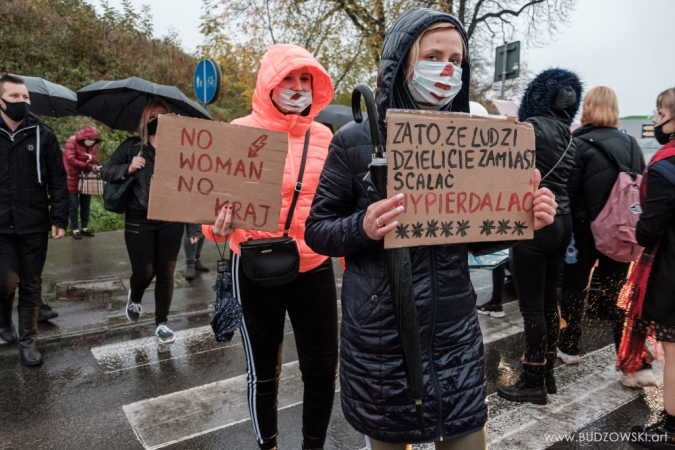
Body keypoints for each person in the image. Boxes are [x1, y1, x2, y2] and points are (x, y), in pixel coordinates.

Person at [304, 9, 557, 449]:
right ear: (402, 62)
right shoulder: (353, 140)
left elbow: (474, 236)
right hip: (383, 334)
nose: (446, 69)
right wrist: (363, 226)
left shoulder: (474, 139)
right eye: (433, 55)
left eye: (456, 60)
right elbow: (318, 230)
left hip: (454, 329)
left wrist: (520, 220)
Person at [203, 44, 337, 450]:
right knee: (264, 371)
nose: (297, 88)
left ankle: (313, 445)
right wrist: (217, 226)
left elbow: (336, 205)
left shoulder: (326, 136)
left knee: (323, 369)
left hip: (314, 264)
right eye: (288, 79)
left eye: (305, 79)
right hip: (256, 267)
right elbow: (212, 214)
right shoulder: (239, 132)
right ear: (269, 83)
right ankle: (269, 446)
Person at [497, 69, 581, 405]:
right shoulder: (569, 133)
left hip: (533, 221)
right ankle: (547, 374)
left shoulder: (527, 128)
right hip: (563, 220)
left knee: (531, 308)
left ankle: (533, 379)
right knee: (548, 302)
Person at [558, 87, 652, 386]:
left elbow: (568, 192)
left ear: (587, 108)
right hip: (621, 231)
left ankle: (570, 346)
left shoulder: (578, 143)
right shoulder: (632, 144)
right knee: (618, 296)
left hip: (583, 231)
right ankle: (635, 365)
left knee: (573, 290)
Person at [100, 99, 183, 344]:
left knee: (166, 271)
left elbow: (192, 187)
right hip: (139, 217)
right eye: (153, 115)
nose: (157, 119)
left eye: (163, 115)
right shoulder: (131, 146)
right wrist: (128, 168)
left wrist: (194, 225)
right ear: (145, 120)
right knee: (145, 271)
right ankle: (135, 295)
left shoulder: (180, 148)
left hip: (171, 217)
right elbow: (106, 169)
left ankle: (162, 323)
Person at [0, 74, 68, 366]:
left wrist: (60, 217)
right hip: (1, 225)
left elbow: (58, 179)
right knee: (5, 283)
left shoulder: (44, 135)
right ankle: (4, 322)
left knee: (31, 284)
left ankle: (28, 341)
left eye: (25, 97)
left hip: (34, 223)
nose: (22, 102)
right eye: (15, 97)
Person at [621, 87, 675, 448]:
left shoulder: (664, 166)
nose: (655, 120)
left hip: (671, 268)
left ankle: (671, 429)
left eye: (660, 112)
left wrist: (637, 219)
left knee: (673, 352)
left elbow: (649, 227)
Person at [63, 126, 100, 240]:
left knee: (86, 203)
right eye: (90, 139)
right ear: (84, 138)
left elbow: (97, 160)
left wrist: (92, 158)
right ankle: (75, 229)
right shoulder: (71, 141)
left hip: (86, 178)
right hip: (72, 176)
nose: (92, 142)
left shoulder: (93, 145)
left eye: (94, 140)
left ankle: (84, 227)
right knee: (73, 204)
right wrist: (87, 164)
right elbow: (70, 159)